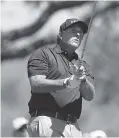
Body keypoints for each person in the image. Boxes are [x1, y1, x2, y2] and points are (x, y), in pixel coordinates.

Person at [13, 18, 95, 137]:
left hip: (73, 127)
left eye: (81, 32)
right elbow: (36, 84)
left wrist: (83, 79)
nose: (78, 34)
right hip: (47, 121)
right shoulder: (43, 54)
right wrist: (66, 82)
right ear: (61, 34)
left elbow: (90, 95)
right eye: (73, 30)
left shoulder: (84, 65)